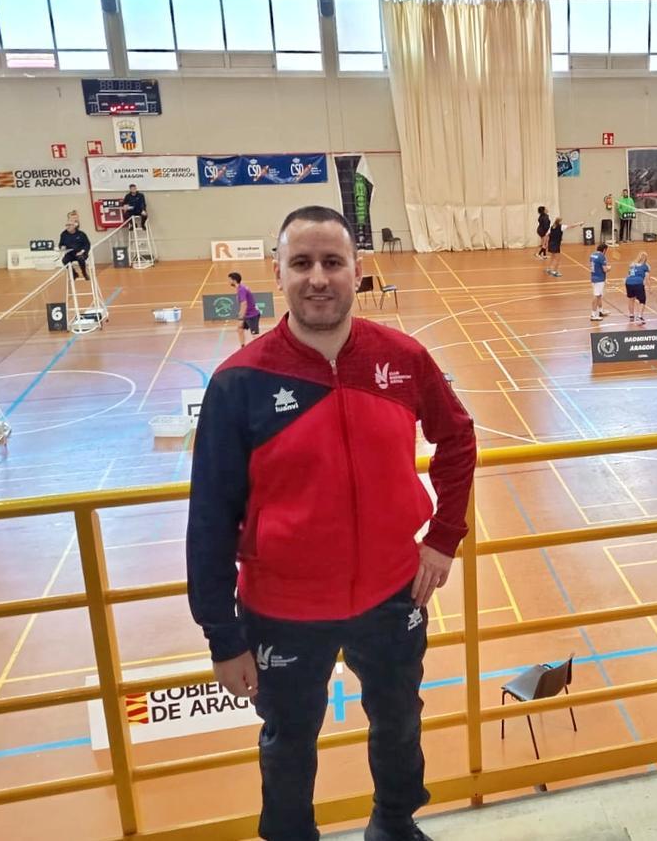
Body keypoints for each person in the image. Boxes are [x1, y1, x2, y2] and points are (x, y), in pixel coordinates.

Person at [187, 205, 477, 841]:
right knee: (288, 742)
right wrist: (222, 635)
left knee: (399, 722)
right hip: (283, 608)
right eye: (301, 264)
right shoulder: (240, 382)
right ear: (277, 274)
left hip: (393, 593)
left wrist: (443, 541)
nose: (317, 278)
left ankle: (395, 824)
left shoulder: (403, 358)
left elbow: (457, 438)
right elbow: (209, 514)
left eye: (332, 262)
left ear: (357, 271)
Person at [228, 271, 261, 348]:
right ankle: (243, 347)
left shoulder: (241, 289)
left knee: (255, 335)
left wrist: (241, 318)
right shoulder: (240, 288)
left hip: (252, 315)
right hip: (247, 314)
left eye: (229, 280)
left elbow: (244, 304)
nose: (228, 281)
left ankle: (260, 348)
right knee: (239, 329)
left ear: (234, 280)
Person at [625, 251, 649, 324]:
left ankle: (631, 315)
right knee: (642, 300)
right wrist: (649, 288)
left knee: (631, 299)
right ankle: (639, 316)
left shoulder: (632, 264)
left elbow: (629, 274)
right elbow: (647, 278)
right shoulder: (645, 266)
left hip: (628, 282)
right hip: (638, 283)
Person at [589, 242, 610, 322]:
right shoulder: (602, 256)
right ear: (604, 250)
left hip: (593, 277)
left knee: (599, 295)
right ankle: (593, 314)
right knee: (596, 296)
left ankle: (601, 311)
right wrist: (609, 268)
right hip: (599, 279)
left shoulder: (592, 255)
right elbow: (605, 269)